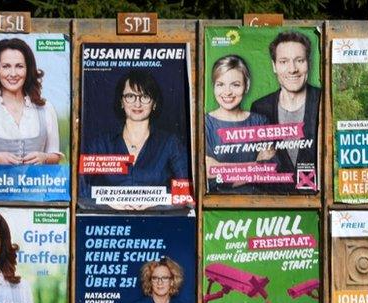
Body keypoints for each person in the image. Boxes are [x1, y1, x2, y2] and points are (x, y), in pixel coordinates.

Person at [79, 70, 190, 210]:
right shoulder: (101, 144)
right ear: (121, 101)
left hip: (158, 222)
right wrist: (108, 202)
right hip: (109, 222)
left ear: (154, 103)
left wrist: (158, 201)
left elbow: (186, 189)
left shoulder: (171, 143)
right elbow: (79, 187)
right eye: (130, 96)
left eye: (144, 96)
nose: (137, 103)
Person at [0, 38, 63, 165]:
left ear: (27, 69)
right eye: (6, 66)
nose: (13, 74)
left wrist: (44, 157)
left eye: (19, 66)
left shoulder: (46, 109)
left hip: (36, 184)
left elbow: (55, 155)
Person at [251, 31, 321, 188]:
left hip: (316, 201)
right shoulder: (260, 108)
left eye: (299, 60)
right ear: (274, 66)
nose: (292, 69)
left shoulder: (322, 101)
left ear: (308, 63)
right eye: (283, 61)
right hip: (276, 202)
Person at [204, 55, 276, 192]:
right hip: (215, 205)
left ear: (246, 86)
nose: (227, 92)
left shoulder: (260, 122)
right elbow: (208, 170)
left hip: (255, 200)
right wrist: (254, 166)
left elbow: (267, 169)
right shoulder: (205, 123)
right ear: (213, 86)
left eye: (235, 85)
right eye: (220, 84)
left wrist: (223, 169)